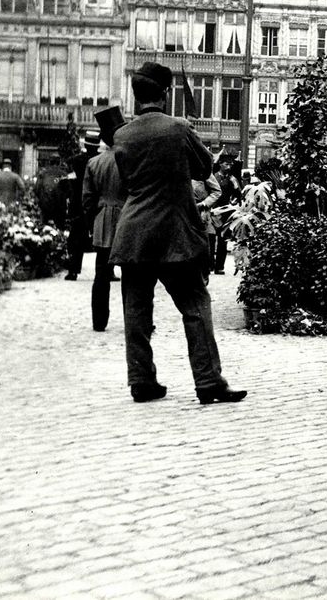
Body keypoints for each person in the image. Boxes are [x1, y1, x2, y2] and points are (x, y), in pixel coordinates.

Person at [110, 61, 246, 405]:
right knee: (195, 306)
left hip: (134, 232)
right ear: (165, 93)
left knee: (136, 312)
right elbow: (203, 168)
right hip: (174, 232)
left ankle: (141, 381)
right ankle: (208, 382)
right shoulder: (179, 128)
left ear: (136, 95)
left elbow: (127, 182)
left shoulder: (121, 135)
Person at [82, 107, 126, 332]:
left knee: (101, 273)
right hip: (127, 218)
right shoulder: (129, 160)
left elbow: (87, 199)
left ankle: (99, 321)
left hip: (102, 219)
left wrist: (92, 223)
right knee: (131, 274)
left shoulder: (94, 163)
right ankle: (136, 320)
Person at [64, 131, 100, 280]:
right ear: (97, 145)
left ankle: (73, 271)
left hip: (78, 204)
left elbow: (69, 182)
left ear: (85, 144)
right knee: (101, 237)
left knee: (76, 238)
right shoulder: (100, 160)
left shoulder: (75, 161)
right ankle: (106, 271)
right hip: (97, 203)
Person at [211, 154, 241, 275]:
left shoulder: (232, 179)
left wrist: (236, 186)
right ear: (220, 164)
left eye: (230, 164)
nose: (228, 167)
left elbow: (238, 195)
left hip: (226, 212)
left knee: (223, 240)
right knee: (211, 239)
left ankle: (219, 267)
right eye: (226, 164)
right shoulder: (213, 177)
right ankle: (210, 265)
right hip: (213, 211)